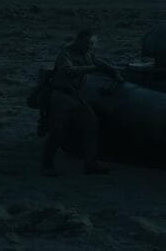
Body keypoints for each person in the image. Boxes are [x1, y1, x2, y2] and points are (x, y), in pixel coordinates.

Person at [41, 29, 122, 176]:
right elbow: (68, 71)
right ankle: (47, 164)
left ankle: (90, 164)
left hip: (79, 97)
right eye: (86, 43)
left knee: (91, 128)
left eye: (91, 43)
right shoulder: (65, 54)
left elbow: (101, 64)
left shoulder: (88, 54)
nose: (88, 46)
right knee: (58, 132)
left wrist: (114, 72)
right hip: (63, 97)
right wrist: (92, 68)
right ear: (77, 41)